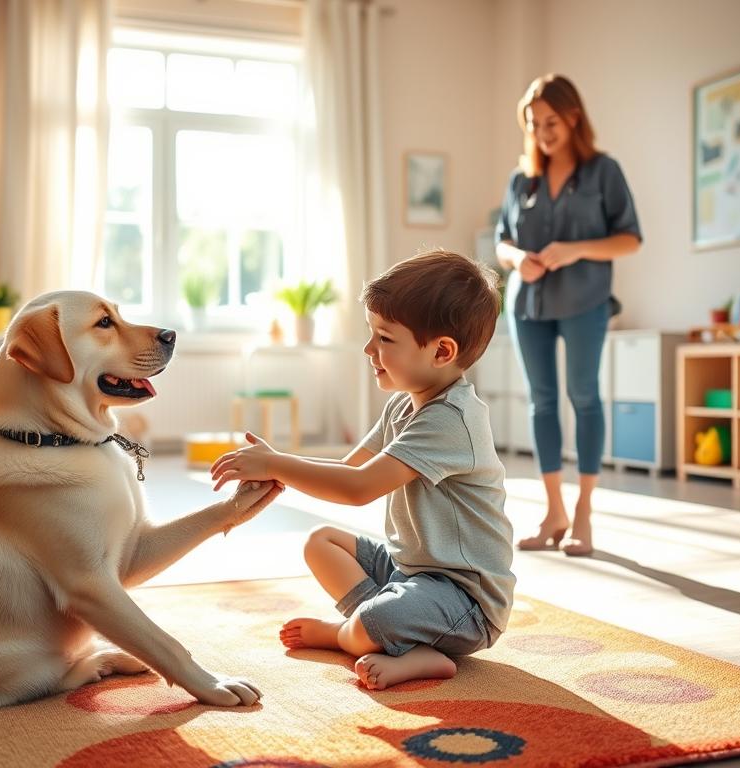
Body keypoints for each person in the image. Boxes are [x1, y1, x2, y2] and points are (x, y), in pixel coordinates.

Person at [210, 250, 514, 691]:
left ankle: (353, 634)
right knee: (321, 542)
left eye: (385, 338)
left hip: (464, 600)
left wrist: (277, 463)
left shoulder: (452, 419)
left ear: (441, 351)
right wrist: (278, 468)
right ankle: (392, 639)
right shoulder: (401, 404)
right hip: (411, 572)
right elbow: (347, 467)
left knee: (374, 619)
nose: (369, 349)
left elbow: (357, 488)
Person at [495, 74, 641, 557]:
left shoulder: (604, 172)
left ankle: (583, 513)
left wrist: (574, 250)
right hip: (528, 305)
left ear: (573, 117)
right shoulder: (522, 180)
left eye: (551, 121)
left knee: (584, 396)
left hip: (585, 301)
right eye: (534, 124)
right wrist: (518, 260)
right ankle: (554, 510)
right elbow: (502, 242)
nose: (542, 132)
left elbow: (629, 238)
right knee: (541, 402)